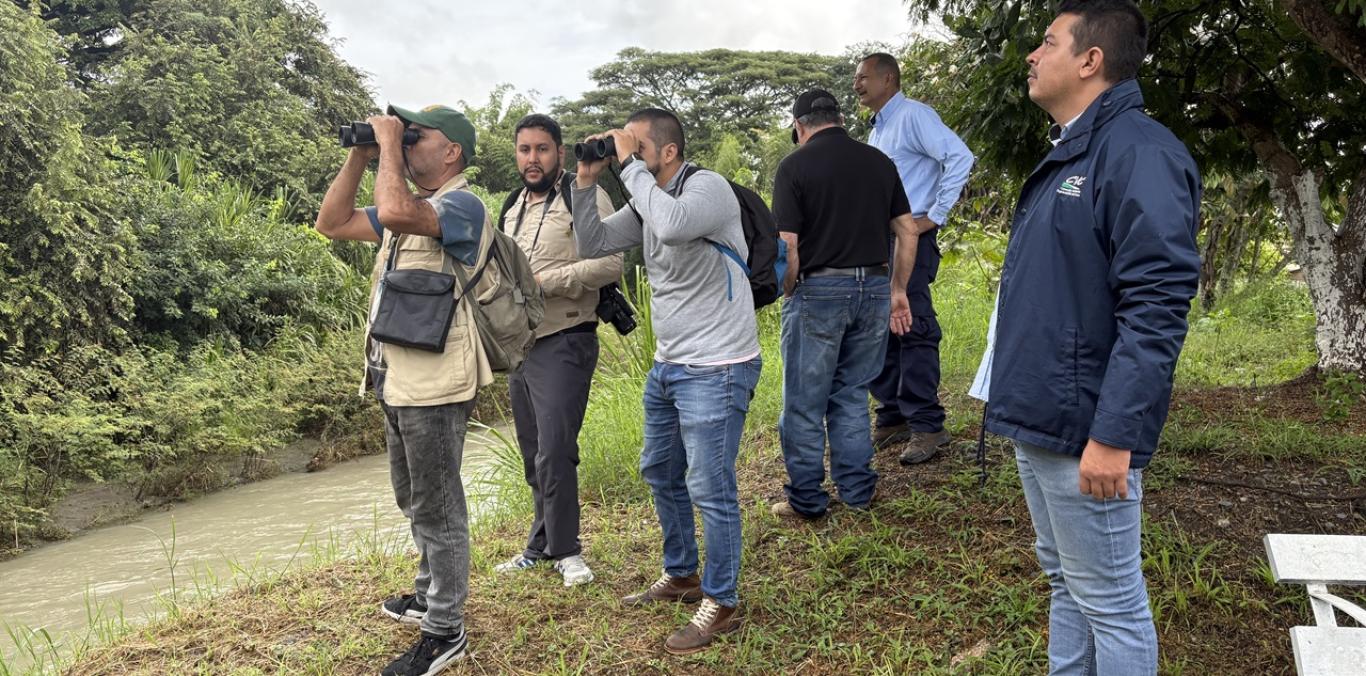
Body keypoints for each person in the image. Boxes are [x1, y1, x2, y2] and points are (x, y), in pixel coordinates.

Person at [974, 1, 1201, 672]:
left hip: (1085, 430)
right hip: (1044, 418)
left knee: (1113, 602)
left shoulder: (1140, 153)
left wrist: (1114, 435)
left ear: (1089, 60)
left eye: (1047, 42)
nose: (1032, 55)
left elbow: (1156, 309)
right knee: (1066, 583)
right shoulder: (1077, 149)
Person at [570, 108, 761, 655]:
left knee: (711, 485)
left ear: (667, 152)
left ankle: (721, 601)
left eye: (636, 145)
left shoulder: (709, 189)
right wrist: (586, 181)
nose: (625, 151)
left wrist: (625, 162)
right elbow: (593, 243)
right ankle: (682, 574)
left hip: (719, 365)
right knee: (660, 468)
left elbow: (674, 224)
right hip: (670, 364)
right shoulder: (645, 199)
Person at [315, 103, 490, 676]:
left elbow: (393, 208)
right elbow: (332, 223)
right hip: (396, 377)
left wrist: (388, 147)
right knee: (411, 497)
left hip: (436, 384)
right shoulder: (411, 207)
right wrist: (361, 153)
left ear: (452, 152)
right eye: (404, 137)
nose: (408, 144)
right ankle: (426, 593)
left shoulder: (461, 205)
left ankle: (446, 630)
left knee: (439, 508)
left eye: (418, 137)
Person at [766, 89, 928, 520]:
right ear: (839, 118)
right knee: (853, 395)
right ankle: (857, 492)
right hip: (874, 288)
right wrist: (898, 290)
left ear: (800, 126)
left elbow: (788, 244)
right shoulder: (879, 161)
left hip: (820, 290)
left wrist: (788, 289)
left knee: (803, 402)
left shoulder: (794, 166)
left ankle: (807, 501)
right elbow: (908, 231)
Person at [493, 113, 623, 586]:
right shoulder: (513, 206)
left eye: (542, 149)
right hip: (521, 345)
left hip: (566, 336)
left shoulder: (582, 194)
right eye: (525, 150)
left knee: (556, 450)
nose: (533, 159)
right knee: (533, 451)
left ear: (559, 153)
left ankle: (568, 551)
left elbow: (611, 263)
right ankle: (540, 545)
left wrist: (550, 282)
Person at [855, 52, 975, 464]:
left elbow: (960, 157)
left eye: (864, 77)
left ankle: (928, 425)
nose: (857, 84)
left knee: (914, 326)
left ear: (888, 79)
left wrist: (934, 217)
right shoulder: (879, 130)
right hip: (881, 241)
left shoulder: (913, 116)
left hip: (910, 239)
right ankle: (892, 416)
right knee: (883, 326)